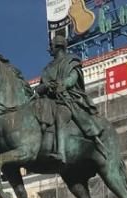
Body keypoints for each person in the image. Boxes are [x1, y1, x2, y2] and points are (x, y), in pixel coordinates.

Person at [35, 33, 101, 163]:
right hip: (49, 101)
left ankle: (61, 153)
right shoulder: (47, 68)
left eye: (52, 46)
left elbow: (72, 79)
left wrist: (62, 85)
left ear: (59, 47)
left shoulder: (71, 61)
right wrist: (44, 87)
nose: (50, 49)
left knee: (60, 115)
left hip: (67, 99)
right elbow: (40, 87)